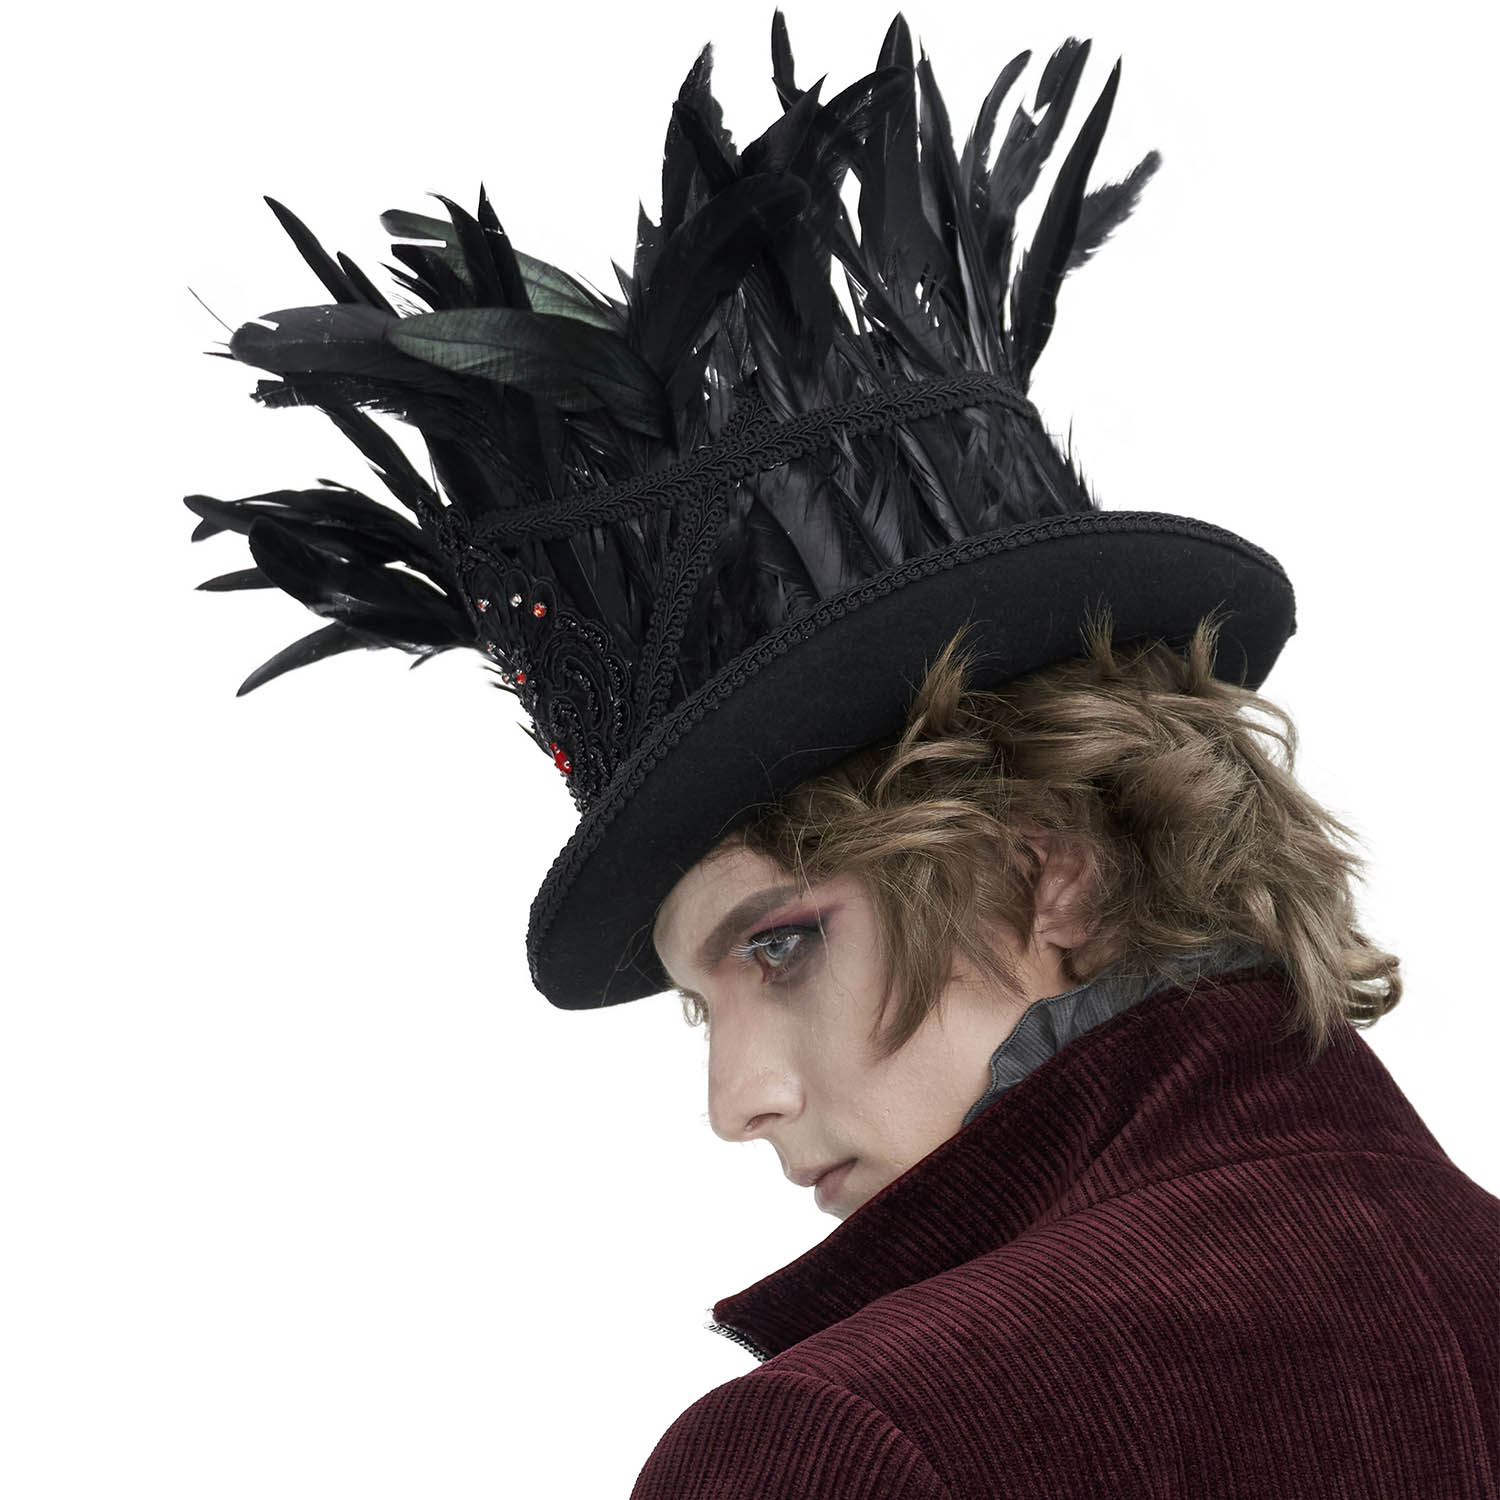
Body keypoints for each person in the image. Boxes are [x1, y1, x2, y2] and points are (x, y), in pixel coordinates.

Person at [184, 10, 1499, 1495]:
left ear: (1049, 866)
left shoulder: (857, 1442)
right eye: (699, 1010)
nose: (734, 1100)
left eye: (783, 944)